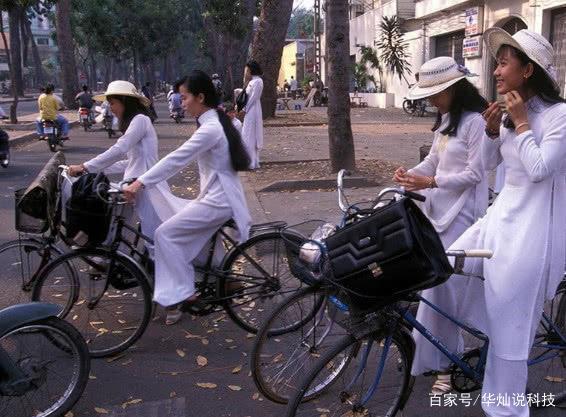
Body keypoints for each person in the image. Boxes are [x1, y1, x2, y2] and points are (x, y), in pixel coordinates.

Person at [447, 29, 566, 417]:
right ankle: (464, 352)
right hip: (499, 220)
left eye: (503, 63)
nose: (496, 71)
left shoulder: (558, 116)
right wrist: (493, 131)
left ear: (527, 70)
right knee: (442, 266)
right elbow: (486, 165)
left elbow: (540, 170)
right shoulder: (514, 112)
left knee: (511, 333)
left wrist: (521, 123)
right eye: (496, 64)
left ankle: (508, 409)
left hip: (532, 233)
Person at [122, 70, 251, 324]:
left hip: (219, 201)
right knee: (182, 224)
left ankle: (185, 293)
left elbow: (177, 159)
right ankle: (224, 279)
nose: (181, 103)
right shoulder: (215, 122)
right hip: (216, 197)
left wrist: (140, 182)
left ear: (200, 97)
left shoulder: (211, 128)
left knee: (164, 234)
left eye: (184, 97)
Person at [393, 56, 489, 395]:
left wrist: (431, 182)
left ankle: (446, 364)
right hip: (439, 212)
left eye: (436, 93)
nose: (432, 100)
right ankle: (435, 355)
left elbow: (475, 174)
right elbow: (434, 159)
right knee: (433, 288)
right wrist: (410, 174)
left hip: (463, 215)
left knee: (443, 290)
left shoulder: (476, 122)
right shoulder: (448, 119)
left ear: (454, 89)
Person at [67, 80, 186, 257]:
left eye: (113, 103)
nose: (110, 108)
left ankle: (161, 272)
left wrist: (86, 166)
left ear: (125, 102)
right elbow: (130, 162)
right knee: (119, 228)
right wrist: (93, 170)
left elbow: (119, 149)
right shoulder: (134, 122)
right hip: (132, 185)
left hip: (145, 186)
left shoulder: (140, 120)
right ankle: (114, 262)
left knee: (153, 238)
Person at [240, 60, 264, 169]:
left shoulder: (258, 81)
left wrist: (245, 108)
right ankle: (247, 160)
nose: (246, 72)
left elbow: (253, 98)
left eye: (247, 70)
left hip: (253, 110)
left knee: (251, 134)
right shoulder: (251, 81)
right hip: (249, 110)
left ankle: (252, 161)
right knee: (247, 134)